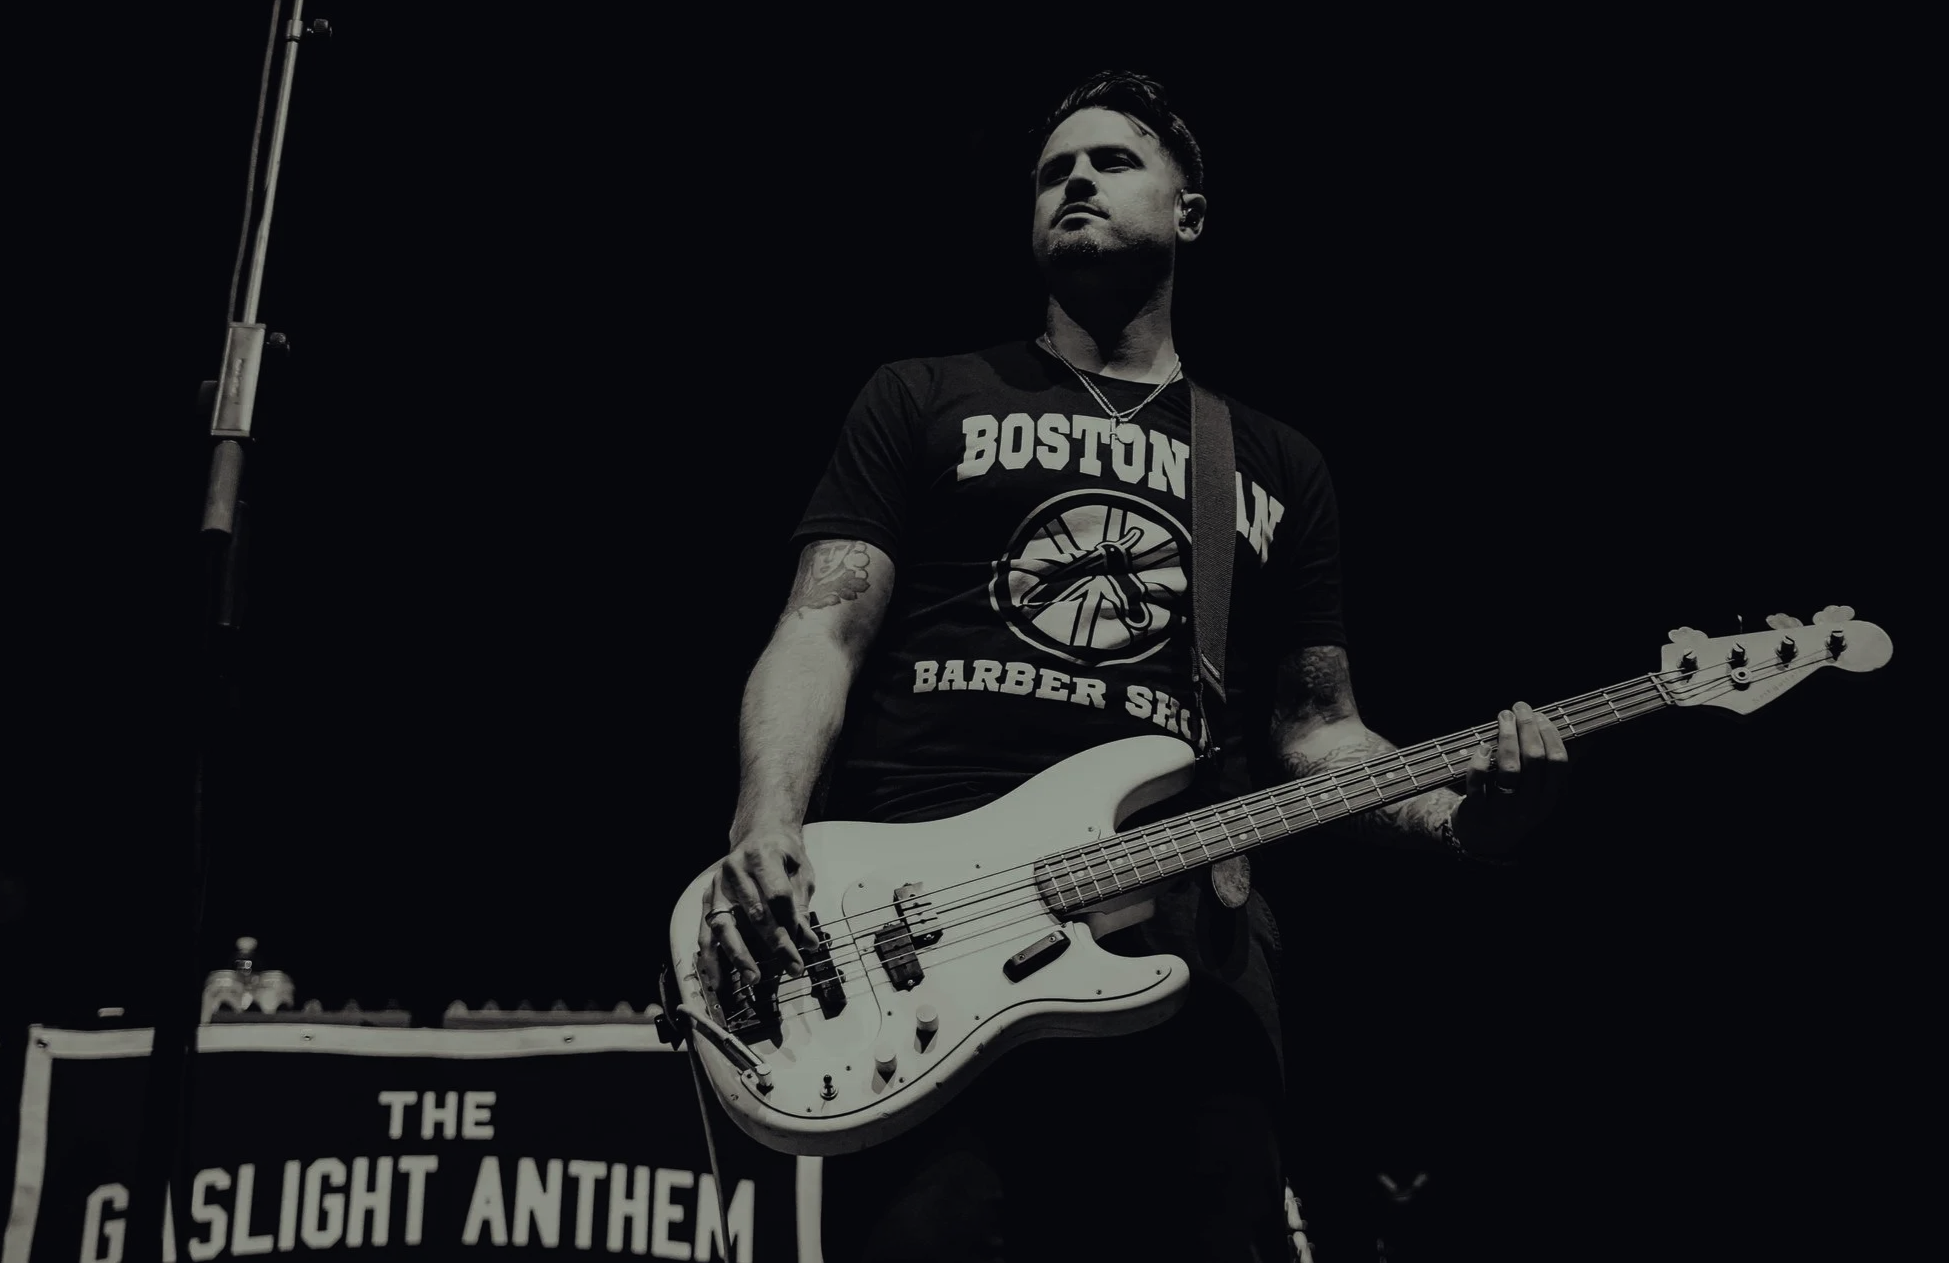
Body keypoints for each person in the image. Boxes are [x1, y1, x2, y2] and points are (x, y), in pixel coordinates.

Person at [693, 70, 1569, 1262]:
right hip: (920, 927)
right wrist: (764, 816)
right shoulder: (923, 396)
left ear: (1190, 215)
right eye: (1053, 170)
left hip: (1184, 947)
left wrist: (1465, 817)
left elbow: (1318, 735)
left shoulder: (1271, 463)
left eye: (1109, 161)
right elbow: (819, 627)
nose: (1074, 183)